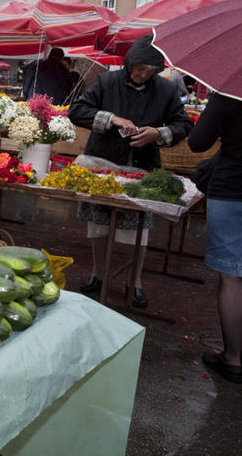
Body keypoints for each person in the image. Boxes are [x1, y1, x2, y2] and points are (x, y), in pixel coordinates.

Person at [68, 34, 192, 308]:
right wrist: (111, 118)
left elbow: (182, 125)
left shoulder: (166, 89)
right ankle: (98, 274)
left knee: (139, 229)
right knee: (98, 223)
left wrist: (157, 133)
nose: (143, 74)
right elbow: (77, 111)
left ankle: (134, 282)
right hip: (103, 162)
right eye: (139, 69)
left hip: (142, 166)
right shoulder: (107, 81)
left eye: (150, 71)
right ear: (129, 64)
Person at [188, 92, 242, 383]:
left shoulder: (230, 93)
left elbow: (198, 143)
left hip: (232, 189)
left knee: (232, 277)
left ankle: (234, 358)